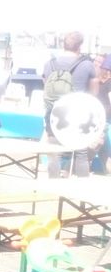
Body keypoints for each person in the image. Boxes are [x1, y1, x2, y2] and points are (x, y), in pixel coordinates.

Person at [43, 31, 99, 178]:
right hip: (78, 113)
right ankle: (81, 187)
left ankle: (53, 185)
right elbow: (94, 93)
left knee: (54, 153)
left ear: (64, 44)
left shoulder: (49, 64)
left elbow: (46, 88)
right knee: (81, 152)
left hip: (54, 114)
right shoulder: (87, 65)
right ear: (80, 46)